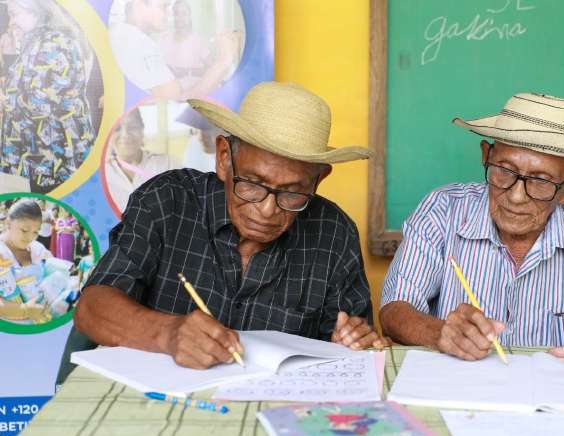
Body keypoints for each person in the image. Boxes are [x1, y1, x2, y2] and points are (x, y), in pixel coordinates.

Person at [63, 81, 389, 379]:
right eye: (252, 184)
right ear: (223, 158)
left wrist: (352, 340)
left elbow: (353, 346)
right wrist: (169, 333)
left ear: (319, 179)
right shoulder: (166, 202)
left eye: (293, 192)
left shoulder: (334, 234)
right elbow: (93, 309)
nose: (267, 209)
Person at [380, 93, 564, 373]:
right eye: (505, 171)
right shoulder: (443, 210)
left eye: (541, 181)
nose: (517, 196)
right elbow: (394, 310)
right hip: (462, 392)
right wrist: (440, 332)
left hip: (559, 400)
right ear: (486, 156)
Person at [0, 0, 94, 193]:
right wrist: (10, 57)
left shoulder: (54, 44)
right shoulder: (38, 40)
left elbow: (40, 104)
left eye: (15, 13)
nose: (12, 22)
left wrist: (4, 100)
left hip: (55, 155)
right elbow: (24, 83)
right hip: (42, 154)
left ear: (34, 9)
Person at [109, 0, 240, 100]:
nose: (168, 15)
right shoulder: (144, 44)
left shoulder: (117, 34)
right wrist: (223, 61)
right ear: (139, 4)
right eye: (164, 6)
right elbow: (178, 101)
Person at [104, 107, 181, 212]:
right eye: (117, 129)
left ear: (142, 129)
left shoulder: (168, 164)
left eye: (133, 127)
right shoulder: (102, 176)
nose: (125, 134)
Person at [0, 198, 52, 323]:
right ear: (8, 223)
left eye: (35, 232)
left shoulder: (37, 248)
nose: (30, 237)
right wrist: (24, 310)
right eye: (24, 230)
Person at [158, 0, 212, 93]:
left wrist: (186, 72)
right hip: (168, 91)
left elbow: (212, 68)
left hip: (192, 93)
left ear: (190, 17)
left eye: (184, 13)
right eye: (176, 13)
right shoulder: (164, 39)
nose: (180, 18)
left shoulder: (198, 40)